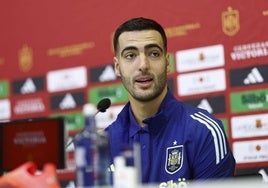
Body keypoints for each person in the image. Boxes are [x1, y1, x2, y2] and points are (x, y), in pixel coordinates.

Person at [105, 17, 236, 184]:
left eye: (153, 54)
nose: (143, 65)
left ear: (167, 62)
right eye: (131, 55)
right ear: (117, 67)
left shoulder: (204, 131)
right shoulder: (103, 143)